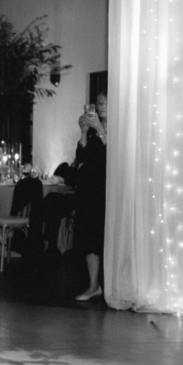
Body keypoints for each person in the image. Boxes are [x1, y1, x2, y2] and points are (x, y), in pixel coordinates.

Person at [72, 94, 108, 301]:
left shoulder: (119, 127)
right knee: (88, 235)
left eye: (106, 102)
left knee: (102, 235)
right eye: (99, 102)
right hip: (89, 188)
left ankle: (110, 284)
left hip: (107, 188)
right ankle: (93, 285)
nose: (102, 105)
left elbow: (114, 155)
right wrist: (85, 132)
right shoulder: (94, 130)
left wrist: (101, 130)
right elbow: (82, 157)